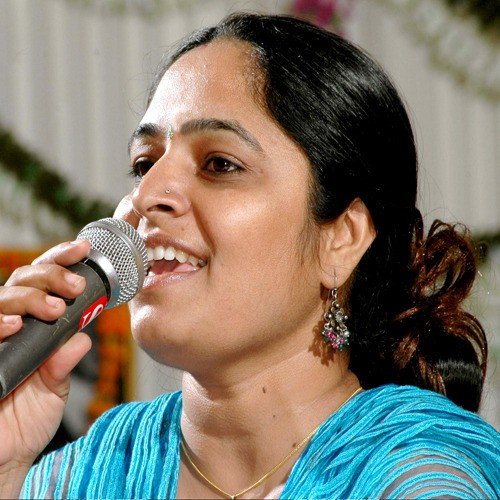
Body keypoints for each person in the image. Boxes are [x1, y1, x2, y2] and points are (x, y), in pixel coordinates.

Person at [0, 12, 499, 499]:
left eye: (219, 164)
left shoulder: (421, 479)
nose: (146, 196)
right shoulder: (81, 475)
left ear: (341, 240)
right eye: (144, 163)